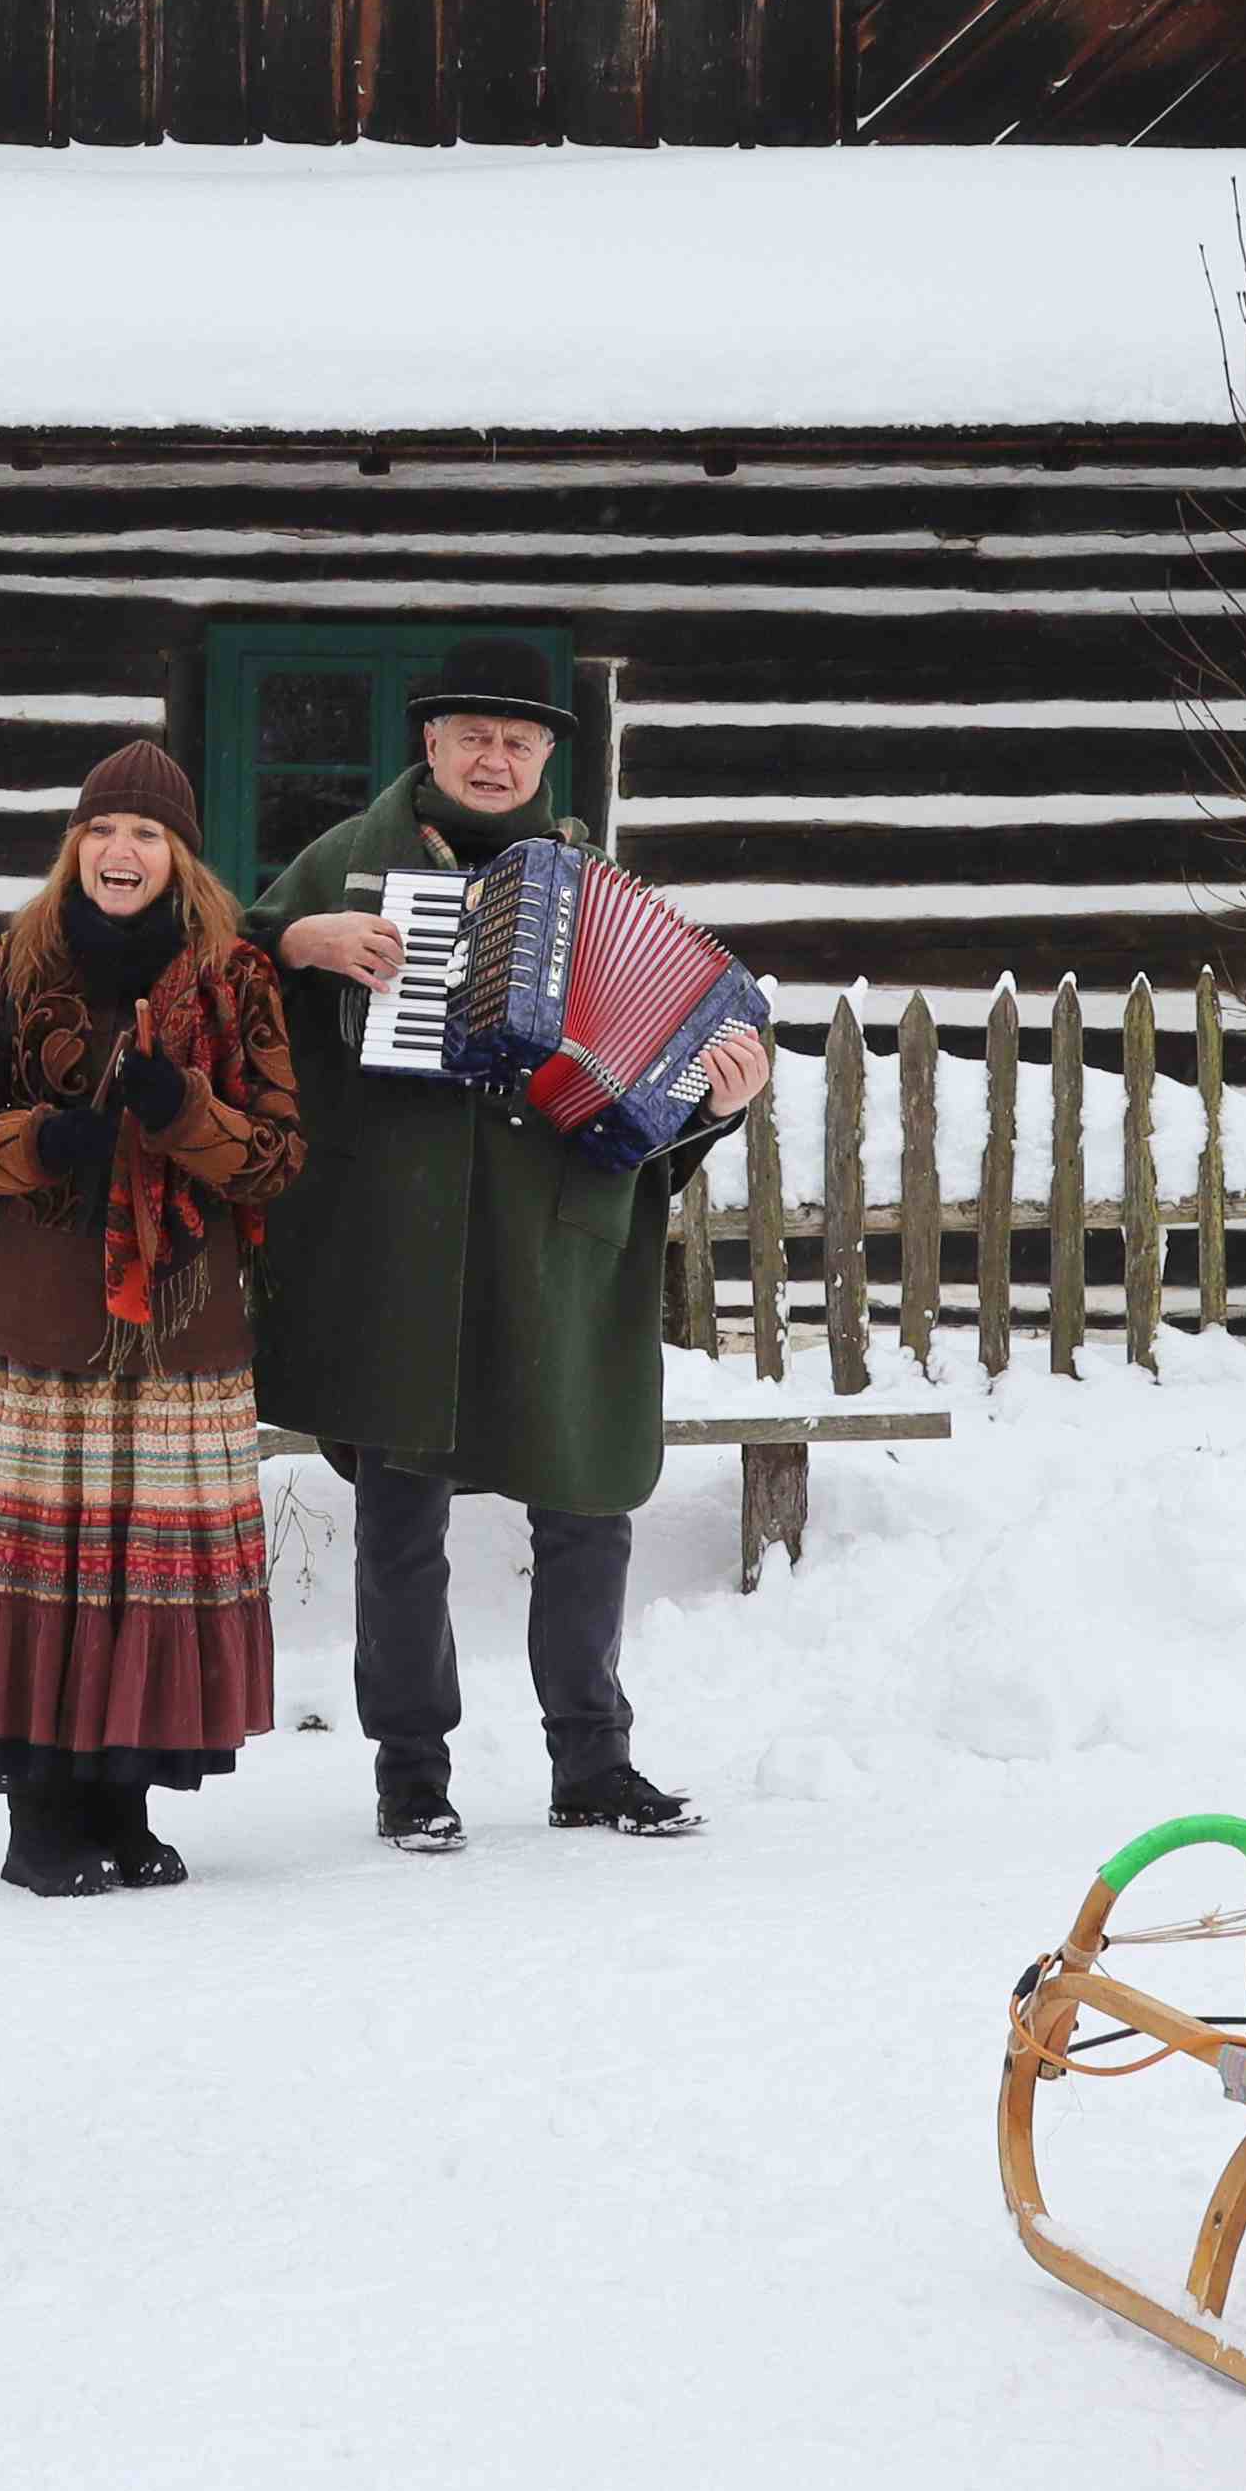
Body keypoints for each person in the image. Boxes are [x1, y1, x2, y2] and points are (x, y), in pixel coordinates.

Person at [250, 643, 769, 1851]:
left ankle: (594, 1761)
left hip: (555, 1238)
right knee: (401, 1513)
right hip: (402, 1236)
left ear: (546, 757)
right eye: (473, 736)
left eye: (520, 741)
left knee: (586, 1499)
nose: (496, 759)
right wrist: (295, 948)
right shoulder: (344, 866)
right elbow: (222, 989)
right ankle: (411, 1771)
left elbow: (643, 1101)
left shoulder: (591, 886)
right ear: (428, 745)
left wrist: (716, 1102)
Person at [0, 742, 308, 1895]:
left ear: (180, 857)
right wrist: (38, 1140)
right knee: (49, 1566)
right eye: (101, 833)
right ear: (75, 848)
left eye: (144, 835)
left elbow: (278, 1158)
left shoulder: (235, 977)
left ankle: (124, 1807)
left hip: (181, 1334)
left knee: (144, 1572)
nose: (119, 853)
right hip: (44, 1314)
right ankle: (39, 1819)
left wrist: (184, 1111)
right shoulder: (16, 959)